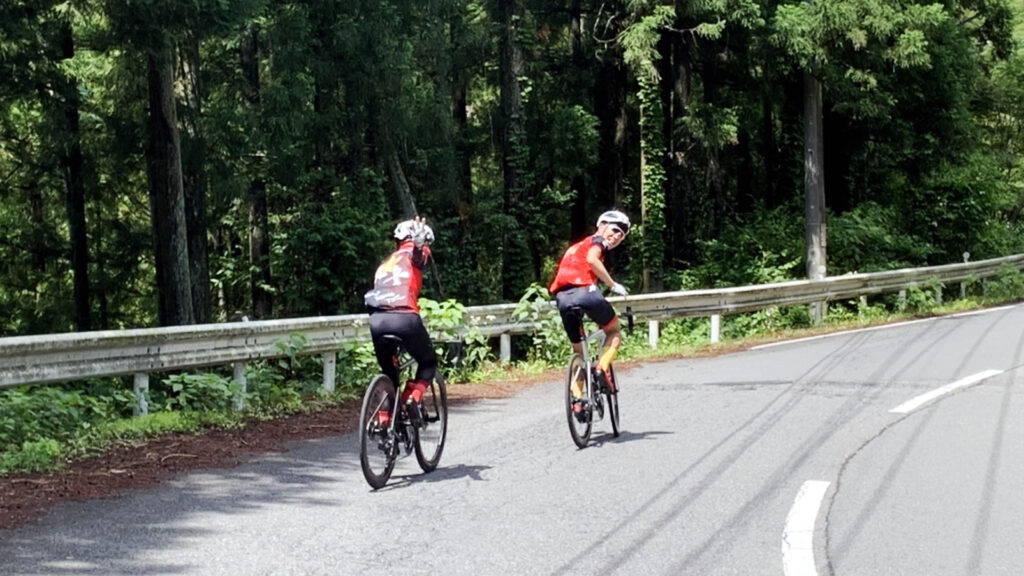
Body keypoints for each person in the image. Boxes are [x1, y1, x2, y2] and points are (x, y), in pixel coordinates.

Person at [548, 210, 630, 402]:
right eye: (615, 229)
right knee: (614, 331)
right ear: (601, 226)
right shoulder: (597, 241)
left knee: (579, 352)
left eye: (622, 235)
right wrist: (612, 284)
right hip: (586, 293)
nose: (617, 236)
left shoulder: (575, 247)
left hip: (563, 299)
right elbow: (592, 260)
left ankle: (577, 400)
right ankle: (602, 368)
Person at [364, 216, 437, 427]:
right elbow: (418, 257)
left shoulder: (385, 264)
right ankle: (413, 396)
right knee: (428, 362)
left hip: (378, 321)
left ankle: (384, 420)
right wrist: (419, 244)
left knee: (389, 374)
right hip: (405, 319)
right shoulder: (417, 252)